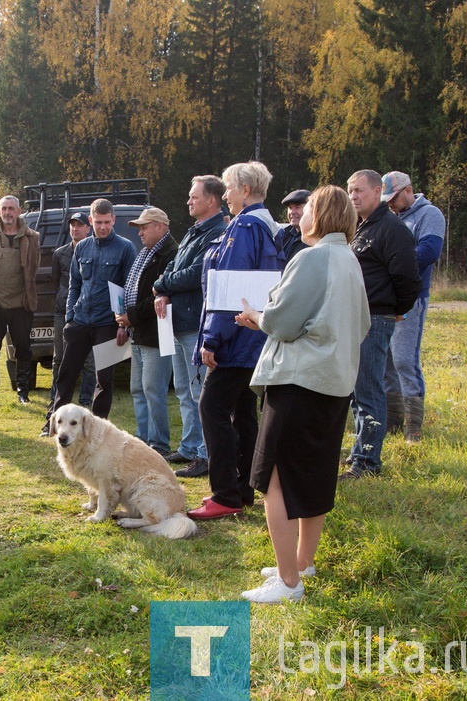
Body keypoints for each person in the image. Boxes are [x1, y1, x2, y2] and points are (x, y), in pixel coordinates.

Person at [235, 185, 371, 603]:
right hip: (333, 384)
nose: (299, 214)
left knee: (275, 479)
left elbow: (283, 321)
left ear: (323, 214)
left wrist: (256, 316)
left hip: (298, 381)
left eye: (307, 207)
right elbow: (362, 324)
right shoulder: (349, 259)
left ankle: (288, 581)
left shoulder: (313, 257)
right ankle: (302, 560)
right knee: (314, 476)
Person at [187, 161, 282, 520]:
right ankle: (242, 489)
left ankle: (225, 493)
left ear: (245, 190)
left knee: (211, 408)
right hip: (254, 336)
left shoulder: (243, 227)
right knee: (243, 413)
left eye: (228, 188)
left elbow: (232, 287)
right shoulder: (268, 225)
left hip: (237, 339)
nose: (224, 195)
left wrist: (211, 339)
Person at [341, 170, 421, 479]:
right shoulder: (360, 228)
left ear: (378, 193)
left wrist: (396, 309)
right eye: (350, 191)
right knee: (357, 390)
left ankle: (368, 462)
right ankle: (359, 452)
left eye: (359, 190)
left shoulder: (391, 228)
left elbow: (408, 278)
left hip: (375, 318)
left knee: (369, 389)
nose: (354, 196)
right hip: (358, 317)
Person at [153, 175, 228, 477]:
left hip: (195, 321)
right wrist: (164, 287)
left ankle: (205, 455)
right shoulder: (193, 232)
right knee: (183, 389)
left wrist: (161, 285)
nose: (188, 201)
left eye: (194, 197)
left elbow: (196, 273)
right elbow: (173, 267)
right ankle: (189, 446)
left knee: (199, 392)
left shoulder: (217, 233)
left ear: (211, 201)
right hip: (178, 321)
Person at [47, 198, 137, 428]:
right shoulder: (83, 247)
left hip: (109, 323)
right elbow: (73, 284)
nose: (103, 227)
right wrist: (69, 318)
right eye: (98, 222)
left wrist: (123, 324)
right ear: (91, 220)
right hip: (80, 320)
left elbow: (130, 287)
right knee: (66, 375)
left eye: (107, 222)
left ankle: (98, 427)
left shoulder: (126, 248)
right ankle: (55, 424)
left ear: (114, 220)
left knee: (104, 380)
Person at [381, 171, 445, 443]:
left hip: (412, 297)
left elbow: (429, 252)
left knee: (405, 359)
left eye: (393, 198)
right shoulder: (392, 218)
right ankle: (392, 421)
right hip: (387, 296)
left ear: (408, 191)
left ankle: (413, 428)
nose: (390, 204)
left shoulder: (429, 214)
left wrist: (392, 262)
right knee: (387, 361)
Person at [114, 207, 178, 457]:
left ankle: (159, 445)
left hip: (156, 332)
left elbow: (160, 296)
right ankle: (143, 441)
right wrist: (125, 321)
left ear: (160, 227)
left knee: (153, 390)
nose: (139, 232)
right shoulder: (145, 253)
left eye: (144, 226)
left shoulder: (170, 252)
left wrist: (131, 316)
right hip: (139, 333)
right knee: (138, 390)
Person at [0, 195, 40, 405]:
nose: (8, 213)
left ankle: (23, 392)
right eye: (4, 209)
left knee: (23, 349)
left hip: (21, 304)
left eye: (11, 208)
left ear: (19, 211)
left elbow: (34, 268)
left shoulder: (32, 237)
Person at [50, 212, 96, 408]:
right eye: (72, 225)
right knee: (59, 358)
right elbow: (55, 282)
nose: (75, 228)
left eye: (80, 225)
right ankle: (56, 398)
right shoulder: (59, 254)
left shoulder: (95, 250)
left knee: (90, 362)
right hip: (63, 313)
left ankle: (86, 401)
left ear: (88, 227)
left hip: (89, 314)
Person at [275, 189, 310, 263]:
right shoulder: (283, 235)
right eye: (290, 208)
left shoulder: (313, 238)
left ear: (309, 210)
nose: (292, 212)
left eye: (297, 207)